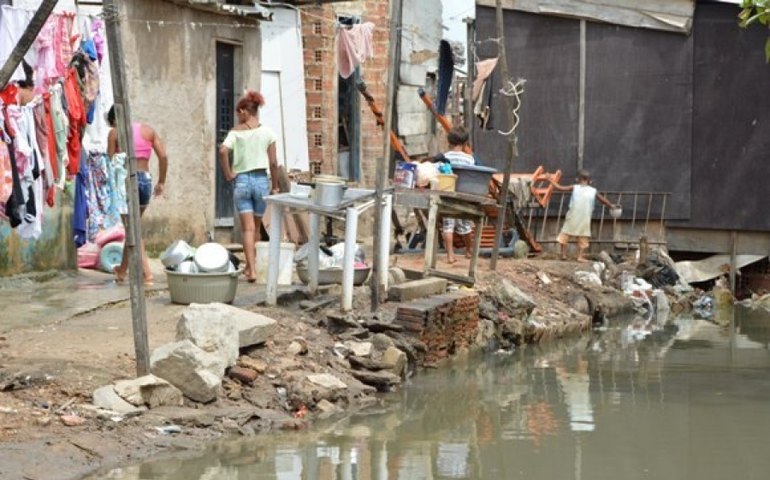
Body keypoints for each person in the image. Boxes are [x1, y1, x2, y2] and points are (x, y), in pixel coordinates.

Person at [218, 90, 280, 283]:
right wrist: (275, 186)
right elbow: (273, 163)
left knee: (247, 229)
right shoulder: (268, 133)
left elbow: (223, 151)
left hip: (242, 181)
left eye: (238, 113)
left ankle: (250, 269)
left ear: (244, 111)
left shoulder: (235, 133)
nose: (238, 117)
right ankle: (252, 268)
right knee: (257, 228)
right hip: (261, 181)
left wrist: (228, 174)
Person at [107, 106, 168, 284]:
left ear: (114, 120)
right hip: (145, 180)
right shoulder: (148, 130)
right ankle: (122, 270)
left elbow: (110, 163)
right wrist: (161, 181)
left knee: (132, 229)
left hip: (127, 181)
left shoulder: (114, 133)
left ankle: (147, 274)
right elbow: (163, 157)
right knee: (132, 227)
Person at [549, 169, 615, 262]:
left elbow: (560, 187)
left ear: (577, 179)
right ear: (590, 181)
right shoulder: (593, 191)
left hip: (572, 216)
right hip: (585, 218)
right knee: (583, 237)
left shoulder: (574, 187)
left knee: (565, 234)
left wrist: (550, 180)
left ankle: (563, 254)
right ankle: (580, 256)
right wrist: (611, 206)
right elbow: (603, 200)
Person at [441, 125, 475, 264]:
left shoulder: (444, 157)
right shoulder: (469, 159)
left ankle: (450, 255)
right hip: (463, 196)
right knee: (466, 226)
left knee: (448, 226)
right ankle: (469, 250)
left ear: (449, 141)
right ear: (465, 142)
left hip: (448, 195)